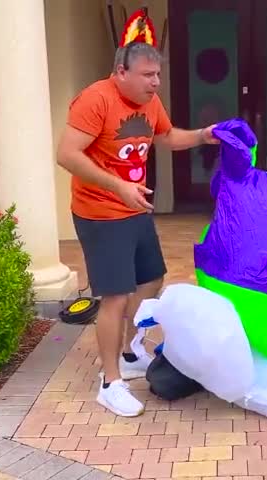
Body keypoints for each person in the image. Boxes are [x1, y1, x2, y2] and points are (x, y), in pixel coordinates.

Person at [56, 41, 219, 417]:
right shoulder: (95, 100)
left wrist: (202, 135)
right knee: (115, 296)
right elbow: (66, 154)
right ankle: (110, 382)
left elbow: (167, 136)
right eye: (147, 75)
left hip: (134, 208)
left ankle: (129, 352)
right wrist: (118, 186)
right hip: (100, 213)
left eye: (157, 74)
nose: (155, 82)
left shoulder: (149, 102)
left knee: (151, 279)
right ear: (121, 72)